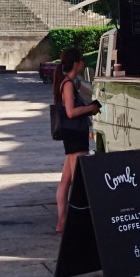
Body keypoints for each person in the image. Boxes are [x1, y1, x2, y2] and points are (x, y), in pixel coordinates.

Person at [53, 46, 101, 233]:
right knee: (77, 180)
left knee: (66, 180)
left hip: (72, 136)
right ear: (75, 63)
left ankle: (62, 221)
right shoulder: (68, 84)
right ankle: (74, 220)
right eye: (81, 60)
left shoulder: (67, 82)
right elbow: (71, 112)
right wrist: (90, 108)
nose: (83, 63)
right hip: (75, 135)